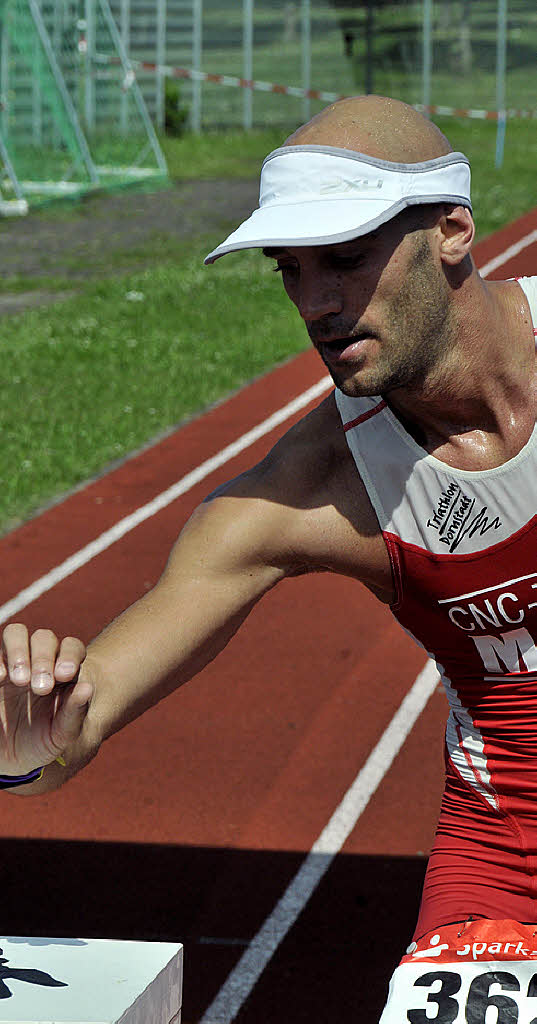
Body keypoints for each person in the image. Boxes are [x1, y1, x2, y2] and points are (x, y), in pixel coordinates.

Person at [2, 94, 537, 1017]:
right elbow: (67, 735)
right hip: (503, 869)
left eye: (346, 258)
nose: (317, 303)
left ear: (451, 231)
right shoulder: (305, 491)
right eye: (289, 272)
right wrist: (20, 745)